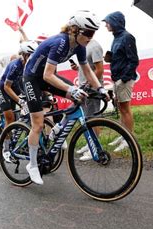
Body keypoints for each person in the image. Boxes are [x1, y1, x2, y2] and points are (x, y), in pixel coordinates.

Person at [23, 10, 107, 185]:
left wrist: (101, 88)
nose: (91, 37)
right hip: (33, 78)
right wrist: (71, 88)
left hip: (47, 77)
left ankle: (57, 130)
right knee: (37, 124)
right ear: (75, 29)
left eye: (94, 33)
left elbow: (87, 70)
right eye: (89, 33)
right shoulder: (60, 42)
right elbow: (47, 75)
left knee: (79, 97)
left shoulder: (80, 46)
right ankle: (32, 165)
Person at [102, 11, 139, 152]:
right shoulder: (116, 37)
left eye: (108, 22)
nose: (106, 25)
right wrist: (111, 58)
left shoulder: (127, 37)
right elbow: (122, 57)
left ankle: (128, 139)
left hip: (124, 79)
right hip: (117, 78)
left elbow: (133, 60)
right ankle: (123, 134)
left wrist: (124, 79)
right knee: (121, 108)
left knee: (125, 109)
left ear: (115, 22)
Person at [0, 41, 38, 161]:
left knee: (30, 111)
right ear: (25, 55)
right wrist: (20, 101)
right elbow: (6, 87)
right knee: (10, 118)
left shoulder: (31, 64)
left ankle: (23, 141)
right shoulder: (16, 65)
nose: (33, 58)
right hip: (4, 87)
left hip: (15, 86)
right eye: (30, 55)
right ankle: (5, 149)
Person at [70, 39, 105, 161]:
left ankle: (96, 147)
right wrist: (77, 68)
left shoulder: (94, 46)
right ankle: (90, 144)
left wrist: (89, 85)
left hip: (92, 88)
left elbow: (99, 69)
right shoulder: (84, 46)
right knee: (86, 119)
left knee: (93, 119)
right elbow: (87, 68)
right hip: (84, 88)